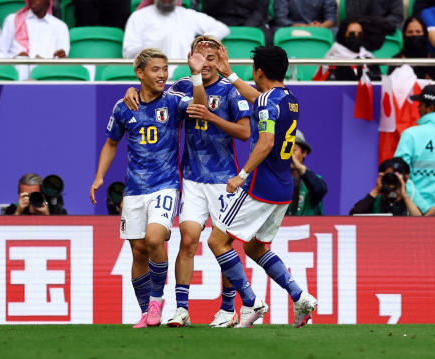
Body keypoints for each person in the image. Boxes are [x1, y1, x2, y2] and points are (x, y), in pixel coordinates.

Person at [124, 35, 251, 328]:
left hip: (223, 179)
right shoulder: (181, 86)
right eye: (198, 57)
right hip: (192, 178)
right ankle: (181, 309)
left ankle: (227, 308)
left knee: (223, 244)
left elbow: (244, 133)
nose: (204, 63)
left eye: (210, 57)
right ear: (189, 57)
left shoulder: (232, 90)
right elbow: (154, 100)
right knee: (188, 241)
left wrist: (212, 117)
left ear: (220, 58)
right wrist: (132, 89)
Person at [90, 47, 207, 329]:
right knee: (139, 251)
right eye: (156, 69)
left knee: (155, 239)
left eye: (165, 69)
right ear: (140, 73)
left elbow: (200, 106)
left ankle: (156, 301)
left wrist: (195, 75)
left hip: (165, 185)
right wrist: (99, 177)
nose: (163, 75)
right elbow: (111, 143)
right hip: (134, 191)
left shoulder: (174, 102)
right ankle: (146, 312)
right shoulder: (123, 107)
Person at [205, 45, 317, 328]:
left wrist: (241, 174)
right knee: (255, 248)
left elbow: (266, 142)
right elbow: (258, 99)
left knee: (218, 241)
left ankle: (251, 302)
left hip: (259, 186)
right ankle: (299, 296)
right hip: (282, 188)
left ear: (259, 71)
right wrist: (228, 74)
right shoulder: (290, 100)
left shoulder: (268, 102)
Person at [123, 0, 229, 78]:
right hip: (152, 76)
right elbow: (128, 53)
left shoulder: (187, 15)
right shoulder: (138, 17)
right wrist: (154, 47)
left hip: (185, 76)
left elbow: (222, 28)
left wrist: (200, 43)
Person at [0, 0, 69, 80]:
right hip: (17, 73)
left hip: (45, 74)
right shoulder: (12, 20)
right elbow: (0, 53)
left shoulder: (60, 26)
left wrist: (47, 60)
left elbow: (59, 58)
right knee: (22, 60)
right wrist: (16, 58)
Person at [394, 84, 435, 216]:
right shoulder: (410, 135)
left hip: (416, 212)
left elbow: (398, 175)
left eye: (421, 103)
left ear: (431, 107)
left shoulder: (410, 135)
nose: (418, 107)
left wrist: (425, 209)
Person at [349, 157, 422, 216]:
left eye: (394, 177)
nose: (391, 181)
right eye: (388, 176)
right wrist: (376, 189)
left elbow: (420, 223)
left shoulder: (411, 200)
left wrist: (404, 195)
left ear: (405, 178)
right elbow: (353, 215)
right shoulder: (376, 201)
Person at [314, 17, 381, 81]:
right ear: (343, 35)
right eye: (352, 34)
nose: (356, 37)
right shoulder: (333, 56)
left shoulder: (367, 55)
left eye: (360, 34)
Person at [286, 129, 327, 215]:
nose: (289, 155)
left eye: (293, 150)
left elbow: (320, 190)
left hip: (308, 228)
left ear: (304, 152)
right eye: (285, 150)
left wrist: (301, 168)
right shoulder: (276, 180)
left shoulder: (315, 179)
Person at [201, 0, 271, 45]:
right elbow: (207, 8)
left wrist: (246, 28)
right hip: (218, 22)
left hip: (248, 21)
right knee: (200, 38)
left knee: (267, 37)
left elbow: (260, 10)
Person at [272, 0, 337, 29]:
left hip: (319, 27)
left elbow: (331, 18)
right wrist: (305, 26)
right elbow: (281, 19)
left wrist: (321, 26)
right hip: (292, 26)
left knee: (335, 32)